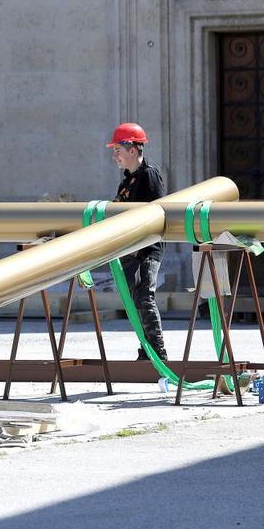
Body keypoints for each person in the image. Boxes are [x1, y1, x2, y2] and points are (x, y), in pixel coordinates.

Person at [108, 122, 168, 360]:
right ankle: (147, 349)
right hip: (130, 249)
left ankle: (157, 353)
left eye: (118, 150)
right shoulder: (126, 181)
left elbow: (157, 212)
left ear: (132, 149)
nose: (115, 156)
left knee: (144, 296)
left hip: (147, 249)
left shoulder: (148, 176)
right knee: (135, 299)